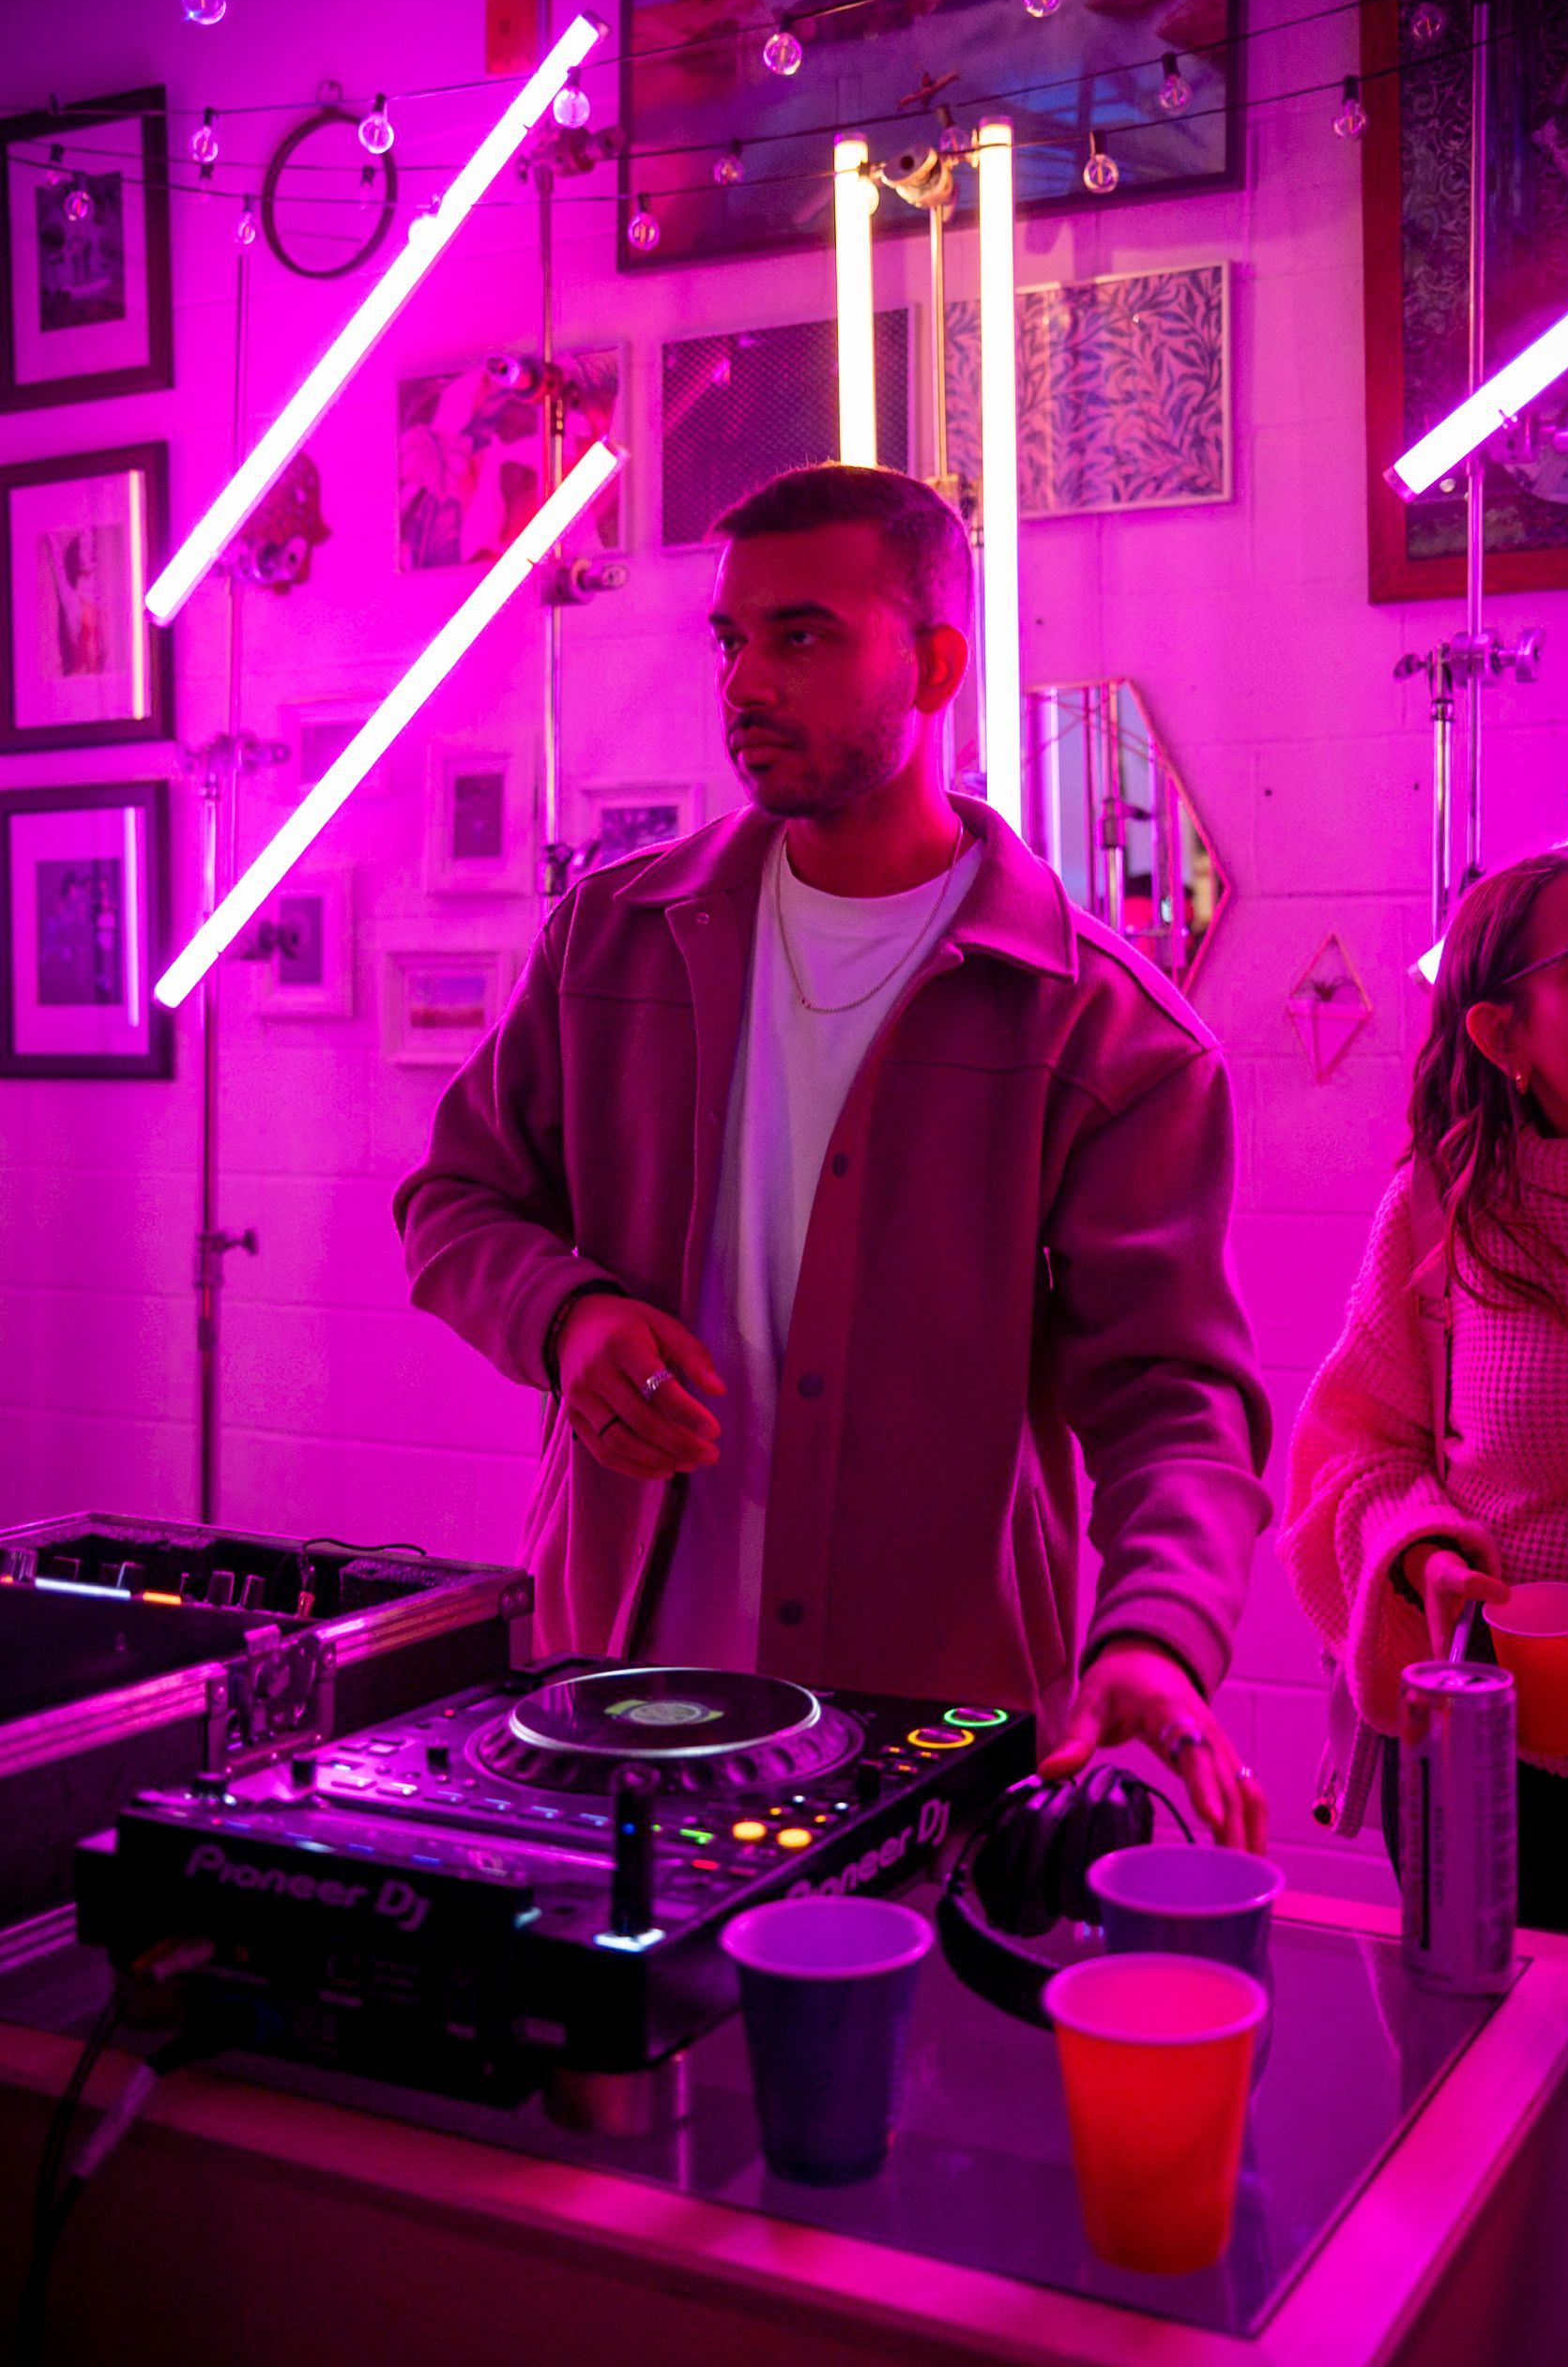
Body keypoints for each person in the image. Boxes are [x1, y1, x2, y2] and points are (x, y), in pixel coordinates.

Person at [394, 464, 1271, 1848]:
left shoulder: (1103, 1031)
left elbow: (1169, 1396)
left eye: (798, 635)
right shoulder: (608, 943)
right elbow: (453, 1203)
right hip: (600, 1708)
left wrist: (1155, 1636)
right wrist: (567, 1319)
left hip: (929, 1743)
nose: (745, 680)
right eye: (731, 640)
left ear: (931, 664)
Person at [1281, 845, 1568, 1936]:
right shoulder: (1438, 1215)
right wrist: (1423, 1548)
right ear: (1504, 1036)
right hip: (1491, 1767)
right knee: (1499, 2079)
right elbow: (1358, 1453)